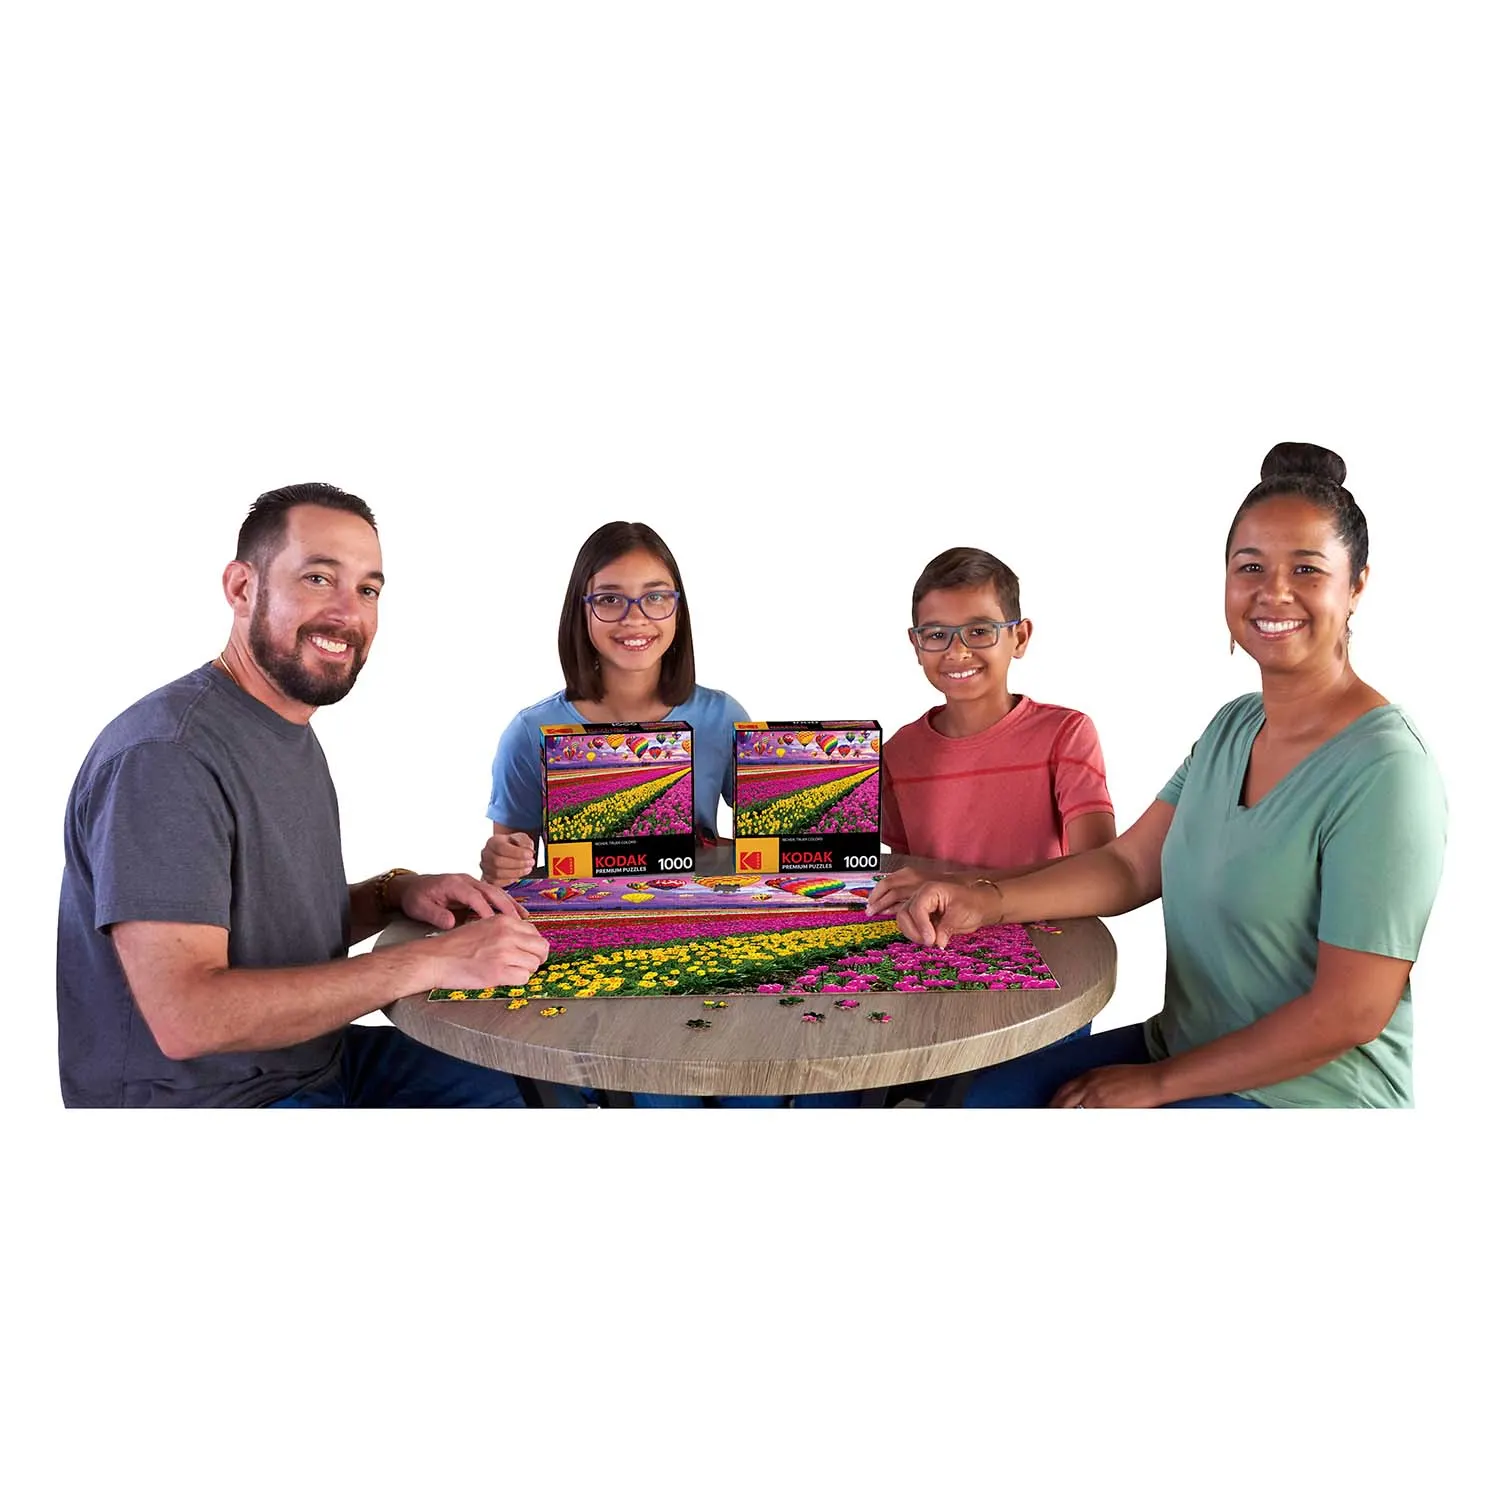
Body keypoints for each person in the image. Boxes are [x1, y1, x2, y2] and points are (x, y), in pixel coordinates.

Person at [873, 443, 1446, 1108]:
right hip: (1185, 1042)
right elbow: (1126, 868)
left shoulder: (1387, 771)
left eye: (1308, 569)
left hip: (1309, 1094)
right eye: (1250, 566)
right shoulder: (1233, 727)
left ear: (1357, 586)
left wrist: (1155, 1085)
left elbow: (1351, 1013)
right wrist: (984, 899)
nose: (1274, 591)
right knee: (976, 1101)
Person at [57, 482, 550, 1108]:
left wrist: (394, 892)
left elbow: (263, 930)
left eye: (367, 589)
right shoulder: (166, 757)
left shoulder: (284, 726)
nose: (349, 612)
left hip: (316, 1058)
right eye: (319, 578)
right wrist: (435, 962)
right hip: (218, 1103)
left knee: (539, 1088)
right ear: (241, 588)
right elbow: (188, 1018)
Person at [799, 546, 1116, 1106]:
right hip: (930, 963)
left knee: (982, 1101)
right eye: (937, 634)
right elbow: (894, 870)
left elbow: (1098, 867)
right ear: (915, 644)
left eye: (980, 631)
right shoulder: (897, 751)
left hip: (1048, 972)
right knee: (829, 1092)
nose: (958, 650)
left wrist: (958, 881)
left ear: (1020, 637)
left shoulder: (1067, 734)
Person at [481, 519, 766, 1107]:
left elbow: (768, 843)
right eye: (610, 599)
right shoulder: (531, 731)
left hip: (705, 937)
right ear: (581, 612)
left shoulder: (723, 716)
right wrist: (501, 861)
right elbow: (506, 876)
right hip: (589, 950)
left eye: (656, 597)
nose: (635, 618)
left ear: (678, 610)